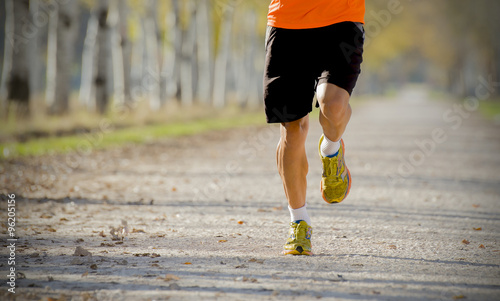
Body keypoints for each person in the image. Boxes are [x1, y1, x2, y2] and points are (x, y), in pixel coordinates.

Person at [263, 0, 365, 255]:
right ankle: (299, 221)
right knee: (293, 127)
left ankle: (331, 150)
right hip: (288, 22)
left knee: (333, 106)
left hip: (342, 18)